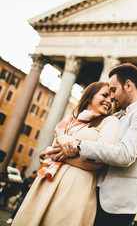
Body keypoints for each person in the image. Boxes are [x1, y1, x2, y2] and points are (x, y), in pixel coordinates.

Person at [51, 63, 137, 226]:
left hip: (118, 204)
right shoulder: (117, 115)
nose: (112, 96)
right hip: (96, 196)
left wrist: (79, 145)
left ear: (128, 85)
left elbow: (125, 155)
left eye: (114, 89)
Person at [12, 81, 121, 226]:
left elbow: (99, 161)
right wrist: (50, 153)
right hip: (47, 183)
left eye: (112, 99)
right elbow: (49, 153)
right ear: (89, 97)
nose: (109, 101)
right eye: (105, 95)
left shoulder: (110, 121)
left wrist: (53, 155)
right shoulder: (69, 121)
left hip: (75, 188)